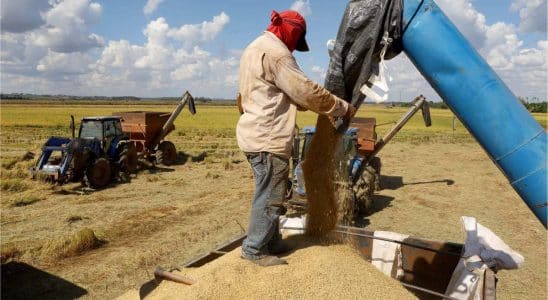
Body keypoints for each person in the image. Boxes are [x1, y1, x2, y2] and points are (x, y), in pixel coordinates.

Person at [236, 9, 356, 266]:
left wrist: (296, 101)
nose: (294, 45)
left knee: (271, 191)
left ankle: (270, 241)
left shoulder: (254, 48)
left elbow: (271, 91)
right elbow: (305, 90)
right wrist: (342, 107)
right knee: (270, 195)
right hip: (268, 136)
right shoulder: (278, 54)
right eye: (296, 38)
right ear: (289, 29)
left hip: (253, 132)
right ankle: (254, 249)